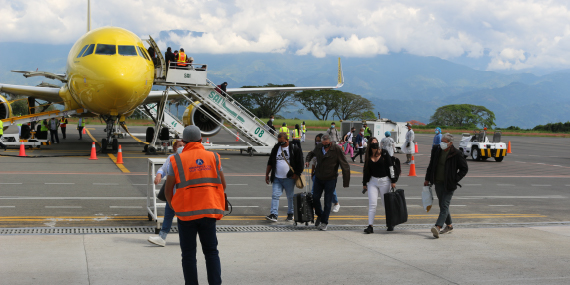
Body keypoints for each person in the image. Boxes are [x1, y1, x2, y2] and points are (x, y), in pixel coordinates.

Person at [165, 125, 226, 285]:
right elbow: (222, 184)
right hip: (209, 211)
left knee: (188, 254)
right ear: (201, 139)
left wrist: (173, 206)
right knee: (211, 252)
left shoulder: (176, 159)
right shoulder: (214, 157)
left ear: (183, 141)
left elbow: (168, 189)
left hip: (186, 214)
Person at [424, 133, 468, 239]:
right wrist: (427, 179)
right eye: (441, 142)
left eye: (444, 142)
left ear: (450, 143)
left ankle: (438, 227)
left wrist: (455, 179)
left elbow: (464, 169)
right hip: (438, 182)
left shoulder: (456, 153)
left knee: (444, 205)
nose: (442, 144)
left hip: (449, 184)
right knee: (443, 205)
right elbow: (431, 165)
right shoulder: (437, 150)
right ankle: (449, 226)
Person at [305, 135, 350, 231]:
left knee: (327, 201)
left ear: (330, 142)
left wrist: (346, 181)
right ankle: (320, 215)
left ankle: (324, 222)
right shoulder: (319, 146)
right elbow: (311, 153)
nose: (324, 145)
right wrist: (307, 160)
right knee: (315, 198)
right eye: (323, 144)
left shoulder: (336, 149)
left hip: (331, 178)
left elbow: (344, 164)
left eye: (326, 144)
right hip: (318, 177)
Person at [148, 140, 186, 247]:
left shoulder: (188, 158)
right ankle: (162, 237)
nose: (182, 147)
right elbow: (163, 169)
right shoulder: (171, 158)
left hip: (184, 194)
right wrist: (159, 174)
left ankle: (185, 238)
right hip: (173, 194)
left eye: (184, 145)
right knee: (168, 216)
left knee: (183, 218)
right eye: (180, 145)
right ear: (175, 148)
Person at [265, 132, 304, 222]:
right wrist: (267, 174)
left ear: (287, 140)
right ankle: (274, 214)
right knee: (275, 195)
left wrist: (296, 174)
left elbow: (300, 163)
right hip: (277, 178)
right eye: (279, 142)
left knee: (290, 196)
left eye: (282, 142)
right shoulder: (276, 148)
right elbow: (270, 162)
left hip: (289, 178)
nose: (280, 144)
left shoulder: (295, 149)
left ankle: (290, 213)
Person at [362, 137, 398, 233]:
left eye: (376, 142)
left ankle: (390, 223)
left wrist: (393, 181)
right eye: (372, 142)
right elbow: (366, 170)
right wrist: (364, 183)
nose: (374, 144)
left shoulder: (384, 153)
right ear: (369, 145)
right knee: (372, 204)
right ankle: (370, 226)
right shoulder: (368, 155)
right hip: (372, 181)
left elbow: (391, 167)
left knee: (386, 204)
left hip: (385, 181)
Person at [311, 134, 340, 213]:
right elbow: (314, 162)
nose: (317, 142)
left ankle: (336, 203)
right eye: (317, 140)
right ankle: (315, 208)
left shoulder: (332, 149)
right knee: (314, 192)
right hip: (317, 174)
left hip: (329, 175)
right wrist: (312, 173)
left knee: (331, 192)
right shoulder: (317, 149)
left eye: (319, 140)